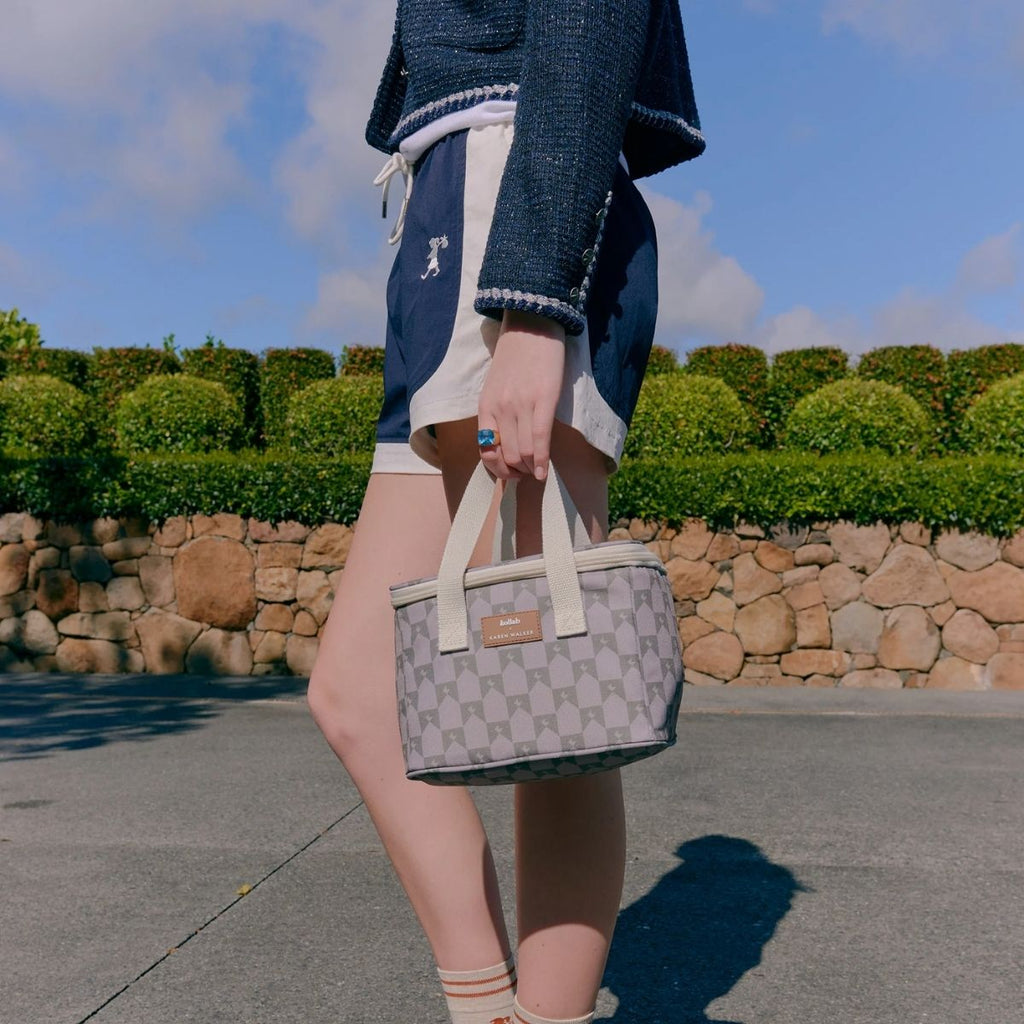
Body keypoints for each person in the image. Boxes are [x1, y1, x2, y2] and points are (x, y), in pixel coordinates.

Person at [307, 3, 704, 1022]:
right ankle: (494, 1008)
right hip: (459, 195)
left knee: (550, 695)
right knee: (361, 689)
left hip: (512, 195)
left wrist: (534, 301)